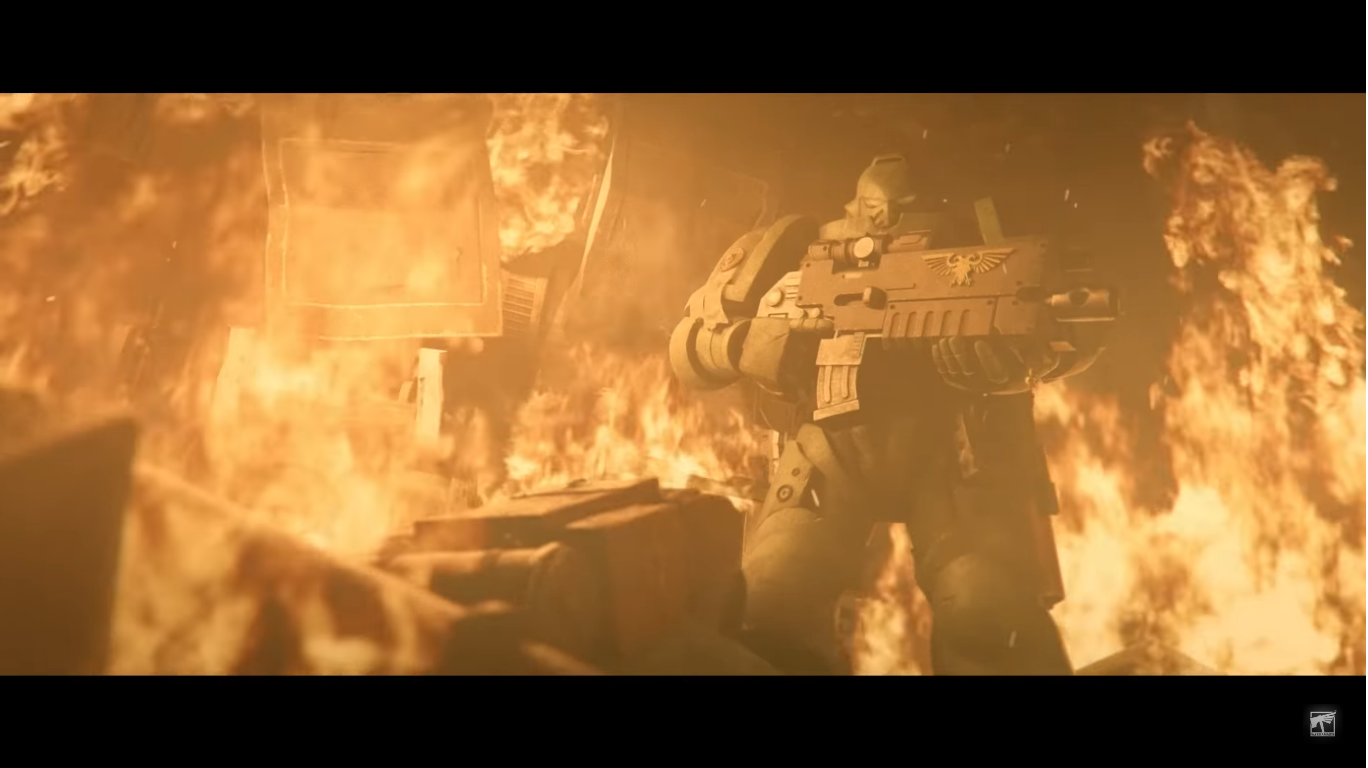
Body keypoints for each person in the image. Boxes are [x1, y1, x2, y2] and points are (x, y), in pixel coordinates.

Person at [668, 154, 1107, 675]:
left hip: (952, 460)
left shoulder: (987, 253)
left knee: (987, 621)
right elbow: (688, 343)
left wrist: (1020, 362)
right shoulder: (792, 251)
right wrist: (742, 344)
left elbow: (1074, 324)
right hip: (827, 459)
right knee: (766, 615)